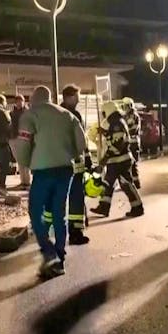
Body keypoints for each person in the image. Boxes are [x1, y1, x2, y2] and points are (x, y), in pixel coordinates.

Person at [18, 85, 88, 279]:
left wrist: (25, 163)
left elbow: (23, 146)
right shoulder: (68, 115)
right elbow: (81, 143)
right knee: (59, 213)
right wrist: (70, 155)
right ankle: (60, 258)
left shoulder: (30, 116)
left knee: (35, 211)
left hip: (43, 171)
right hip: (66, 170)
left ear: (33, 99)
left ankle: (49, 253)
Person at [90, 100, 144, 218]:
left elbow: (116, 144)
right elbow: (114, 137)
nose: (103, 115)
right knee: (109, 184)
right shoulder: (117, 122)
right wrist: (104, 132)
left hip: (119, 160)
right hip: (118, 160)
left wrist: (103, 161)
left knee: (125, 184)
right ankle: (104, 207)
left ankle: (137, 207)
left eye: (104, 113)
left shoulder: (116, 124)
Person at [61, 84, 92, 245]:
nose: (79, 100)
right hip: (75, 163)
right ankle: (75, 232)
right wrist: (88, 161)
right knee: (76, 197)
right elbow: (82, 141)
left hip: (60, 163)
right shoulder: (74, 115)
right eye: (77, 97)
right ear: (69, 97)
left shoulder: (57, 114)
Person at [120, 97, 142, 189]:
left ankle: (136, 183)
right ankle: (131, 182)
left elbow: (132, 129)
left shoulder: (134, 116)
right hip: (129, 142)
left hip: (133, 142)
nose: (124, 108)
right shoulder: (126, 116)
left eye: (125, 106)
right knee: (129, 163)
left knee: (132, 163)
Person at [9, 94, 31, 189]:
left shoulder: (27, 112)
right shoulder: (12, 113)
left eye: (20, 101)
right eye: (17, 101)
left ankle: (27, 181)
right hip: (15, 137)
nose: (19, 103)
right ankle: (23, 181)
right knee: (20, 161)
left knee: (25, 160)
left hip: (24, 137)